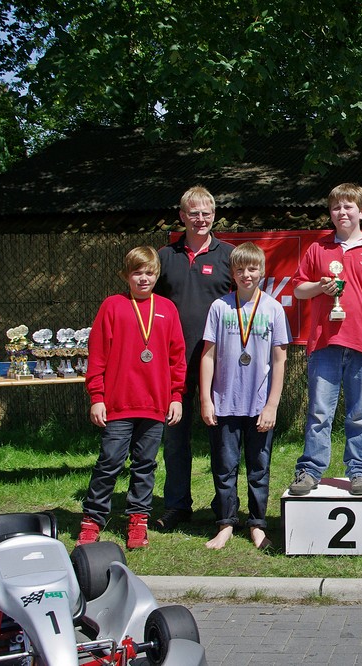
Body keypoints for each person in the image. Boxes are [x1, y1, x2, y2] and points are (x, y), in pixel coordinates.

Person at [288, 183, 362, 497]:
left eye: (349, 206)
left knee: (361, 412)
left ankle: (360, 471)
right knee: (319, 412)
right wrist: (319, 287)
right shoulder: (318, 248)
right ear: (331, 212)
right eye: (337, 207)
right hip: (325, 344)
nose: (342, 212)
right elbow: (298, 289)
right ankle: (310, 470)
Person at [77, 247, 186, 549]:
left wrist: (175, 396)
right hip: (118, 403)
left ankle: (138, 519)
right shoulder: (113, 306)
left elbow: (177, 358)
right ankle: (93, 519)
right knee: (109, 461)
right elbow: (97, 355)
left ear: (157, 275)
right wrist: (97, 397)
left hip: (155, 403)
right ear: (126, 276)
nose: (143, 278)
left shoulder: (167, 308)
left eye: (149, 273)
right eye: (137, 272)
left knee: (145, 464)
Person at [154, 185, 234, 531]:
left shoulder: (230, 256)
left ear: (214, 215)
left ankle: (225, 507)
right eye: (193, 213)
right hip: (173, 365)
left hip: (220, 365)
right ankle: (176, 505)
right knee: (175, 440)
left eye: (206, 213)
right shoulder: (163, 257)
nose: (200, 219)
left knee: (223, 442)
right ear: (182, 216)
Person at [200, 242, 290, 550]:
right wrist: (206, 399)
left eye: (252, 268)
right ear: (232, 272)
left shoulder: (273, 308)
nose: (246, 274)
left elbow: (279, 360)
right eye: (240, 269)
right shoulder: (219, 307)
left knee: (258, 467)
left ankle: (257, 524)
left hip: (259, 405)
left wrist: (272, 405)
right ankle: (226, 523)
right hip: (224, 402)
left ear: (262, 272)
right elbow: (208, 356)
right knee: (225, 466)